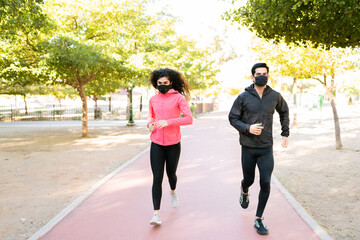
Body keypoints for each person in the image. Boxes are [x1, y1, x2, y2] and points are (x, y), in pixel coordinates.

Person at [228, 63, 290, 235]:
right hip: (248, 147)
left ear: (268, 76)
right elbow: (232, 118)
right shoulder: (243, 97)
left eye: (264, 73)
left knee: (265, 182)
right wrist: (248, 128)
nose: (261, 76)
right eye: (258, 73)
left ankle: (258, 219)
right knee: (249, 179)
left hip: (265, 147)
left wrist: (285, 133)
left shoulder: (275, 96)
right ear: (252, 76)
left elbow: (284, 112)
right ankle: (244, 189)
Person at [147, 68, 193, 226]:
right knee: (157, 178)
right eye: (159, 83)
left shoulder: (178, 98)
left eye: (165, 83)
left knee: (171, 174)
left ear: (171, 82)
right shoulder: (153, 99)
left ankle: (173, 191)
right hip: (157, 142)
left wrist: (169, 122)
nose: (162, 86)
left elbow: (188, 119)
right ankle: (156, 214)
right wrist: (150, 124)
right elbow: (151, 116)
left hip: (173, 144)